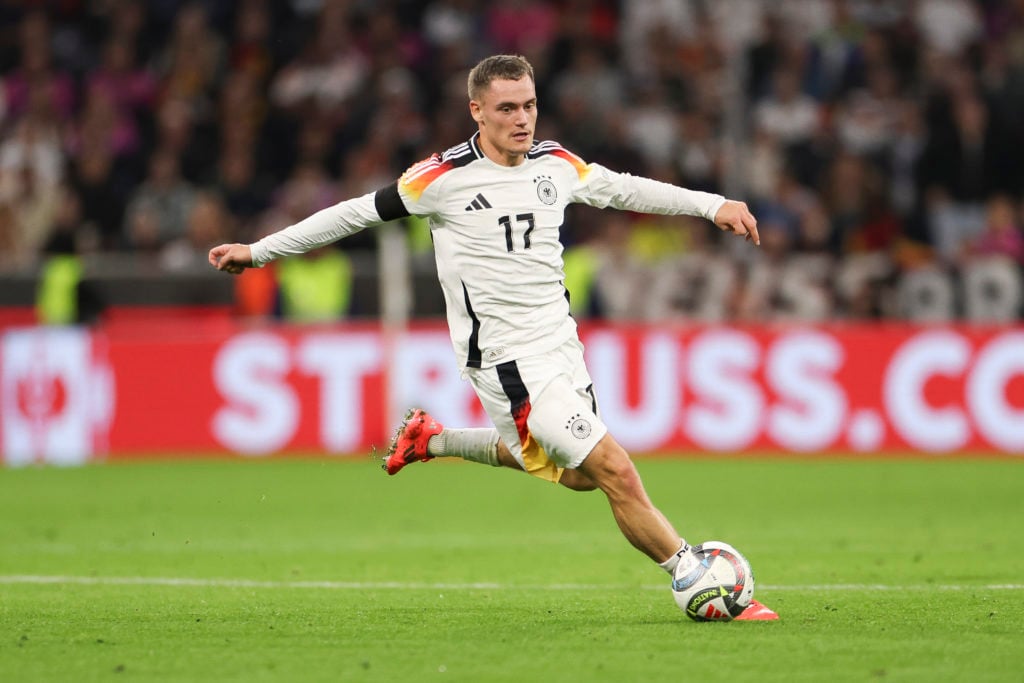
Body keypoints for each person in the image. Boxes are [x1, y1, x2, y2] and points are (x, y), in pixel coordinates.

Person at [209, 54, 759, 580]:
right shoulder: (441, 178)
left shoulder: (555, 163)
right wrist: (259, 251)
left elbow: (625, 188)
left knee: (580, 478)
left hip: (561, 346)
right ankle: (695, 573)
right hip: (506, 359)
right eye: (506, 109)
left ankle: (434, 440)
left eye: (529, 105)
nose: (522, 119)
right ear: (476, 110)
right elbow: (351, 215)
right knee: (614, 469)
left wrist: (713, 205)